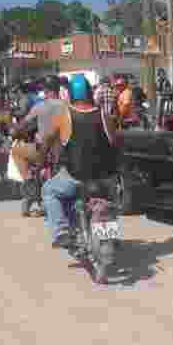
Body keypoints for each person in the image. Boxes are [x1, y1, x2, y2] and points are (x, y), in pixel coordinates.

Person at [40, 74, 121, 249]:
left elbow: (47, 140)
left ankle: (61, 231)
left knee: (48, 190)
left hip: (76, 177)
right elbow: (115, 143)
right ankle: (111, 237)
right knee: (110, 200)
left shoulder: (65, 115)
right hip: (105, 177)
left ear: (70, 95)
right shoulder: (104, 115)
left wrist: (40, 161)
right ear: (90, 93)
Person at [9, 76, 67, 214]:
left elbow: (21, 126)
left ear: (45, 91)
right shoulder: (67, 106)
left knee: (16, 151)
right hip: (64, 152)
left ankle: (29, 182)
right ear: (58, 89)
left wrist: (12, 129)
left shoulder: (39, 107)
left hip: (44, 153)